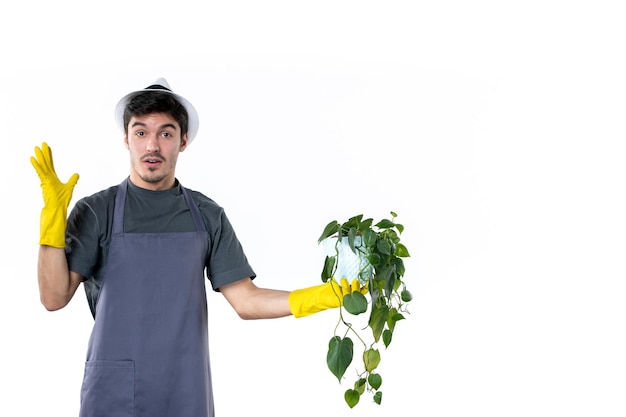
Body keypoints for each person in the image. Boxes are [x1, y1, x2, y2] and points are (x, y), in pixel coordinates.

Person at [31, 78, 367, 417]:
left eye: (165, 133)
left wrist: (322, 296)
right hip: (113, 392)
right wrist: (51, 225)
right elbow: (54, 297)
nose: (152, 146)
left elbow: (247, 300)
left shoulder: (206, 215)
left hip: (185, 387)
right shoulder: (97, 211)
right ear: (126, 139)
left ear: (183, 141)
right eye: (141, 132)